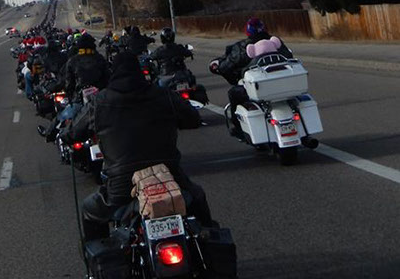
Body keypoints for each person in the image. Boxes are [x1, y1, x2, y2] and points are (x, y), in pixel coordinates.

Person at [68, 52, 213, 241]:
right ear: (138, 70)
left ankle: (100, 255)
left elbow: (74, 132)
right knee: (197, 199)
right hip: (168, 175)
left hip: (122, 184)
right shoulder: (163, 94)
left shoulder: (99, 101)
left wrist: (67, 135)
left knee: (90, 209)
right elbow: (193, 119)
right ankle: (207, 238)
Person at [209, 18, 293, 137]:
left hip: (257, 87)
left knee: (234, 93)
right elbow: (289, 56)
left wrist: (218, 66)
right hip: (281, 83)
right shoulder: (275, 42)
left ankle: (238, 128)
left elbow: (226, 66)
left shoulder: (242, 47)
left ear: (248, 31)